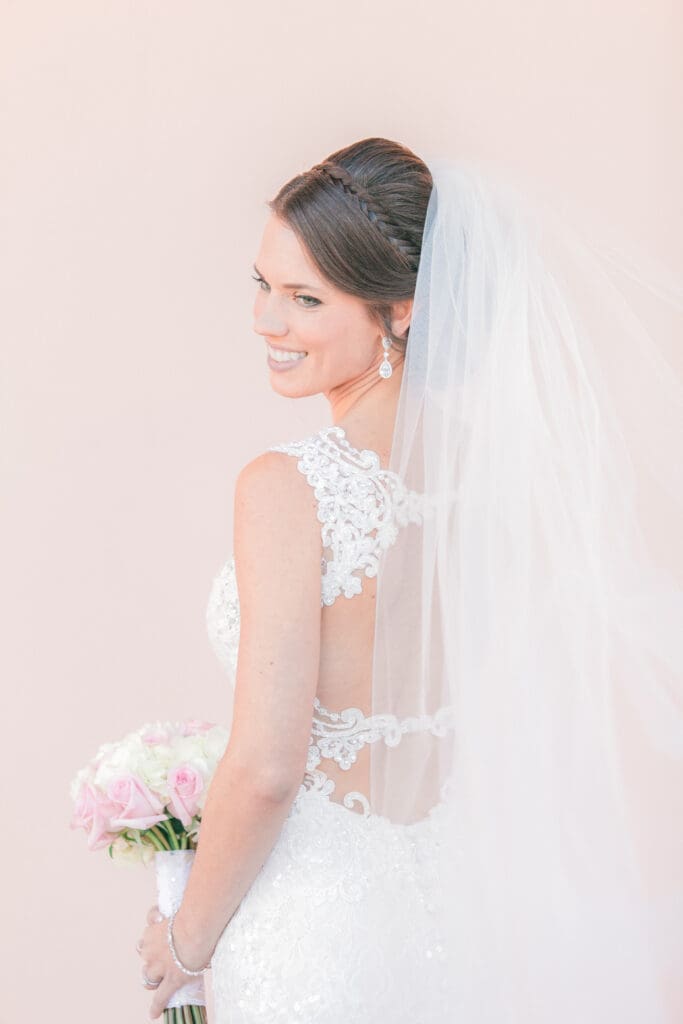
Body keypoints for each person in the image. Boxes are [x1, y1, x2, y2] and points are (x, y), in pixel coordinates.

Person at [136, 138, 683, 1022]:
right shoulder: (502, 477)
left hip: (320, 926)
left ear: (402, 312)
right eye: (262, 284)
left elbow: (270, 768)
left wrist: (184, 942)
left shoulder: (286, 487)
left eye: (305, 298)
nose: (266, 321)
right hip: (461, 914)